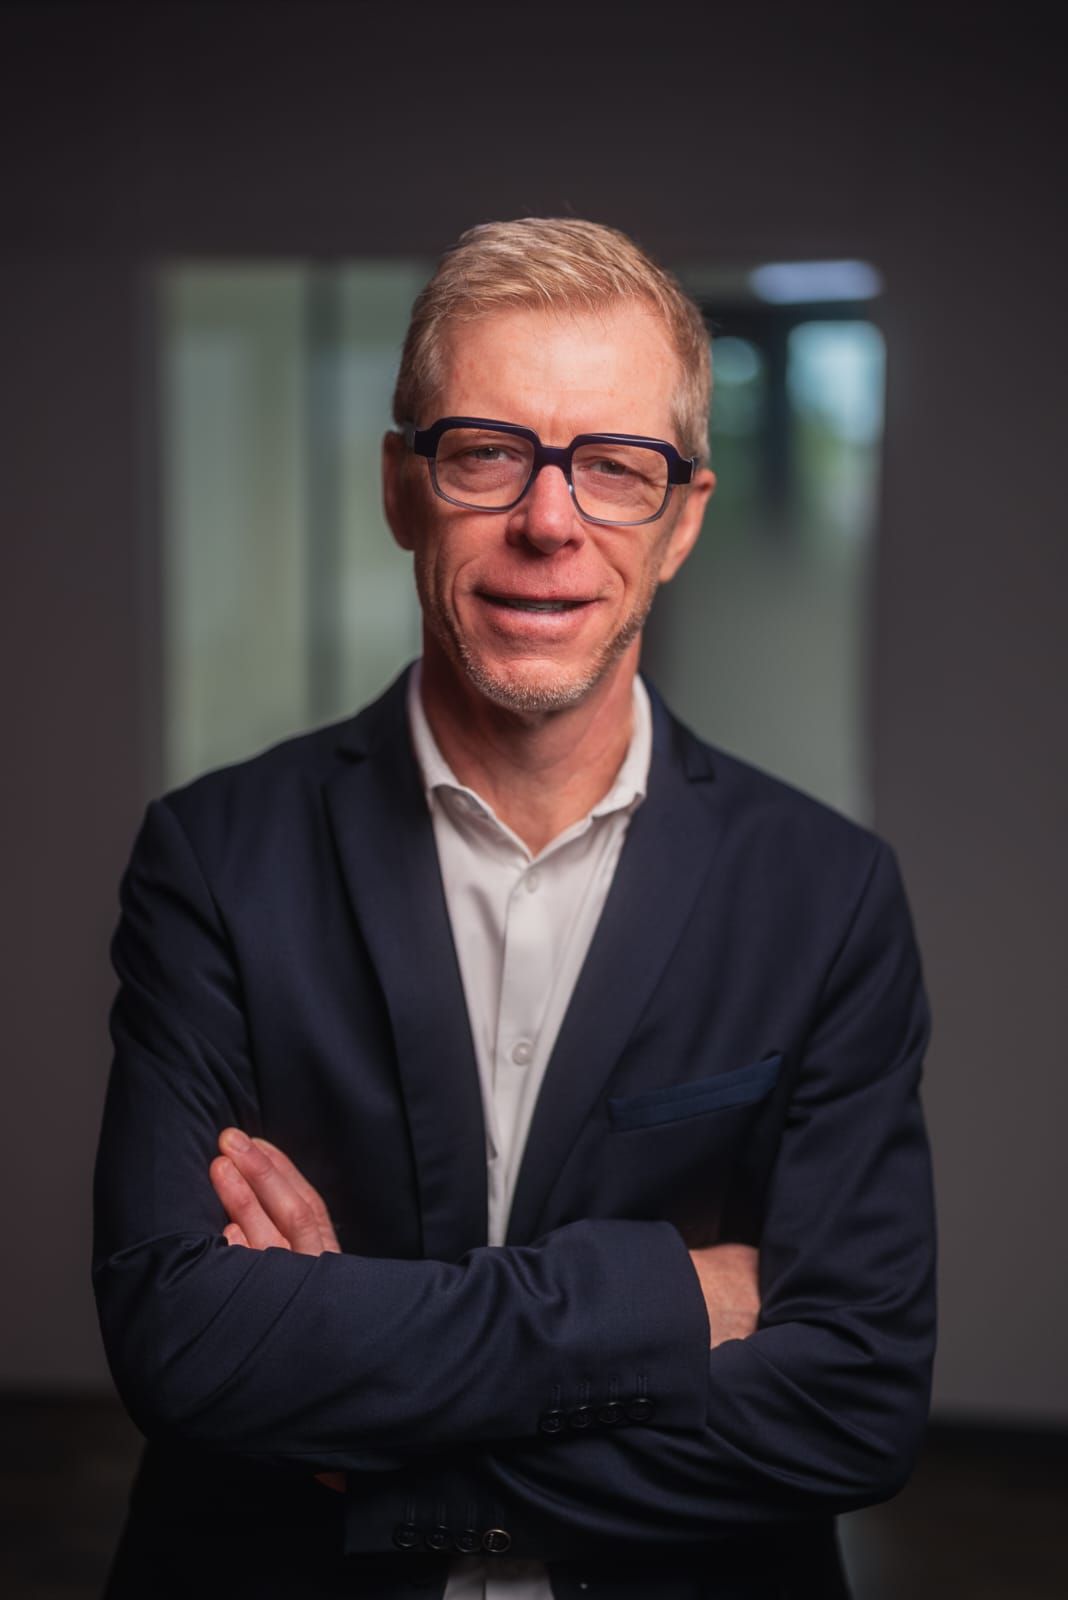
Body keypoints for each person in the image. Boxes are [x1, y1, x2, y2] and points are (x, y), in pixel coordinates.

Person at [93, 218, 936, 1600]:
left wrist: (371, 1423)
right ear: (401, 486)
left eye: (616, 467)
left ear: (682, 522)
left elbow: (854, 1401)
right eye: (490, 452)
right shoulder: (213, 858)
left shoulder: (828, 896)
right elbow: (181, 1341)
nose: (550, 521)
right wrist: (673, 1299)